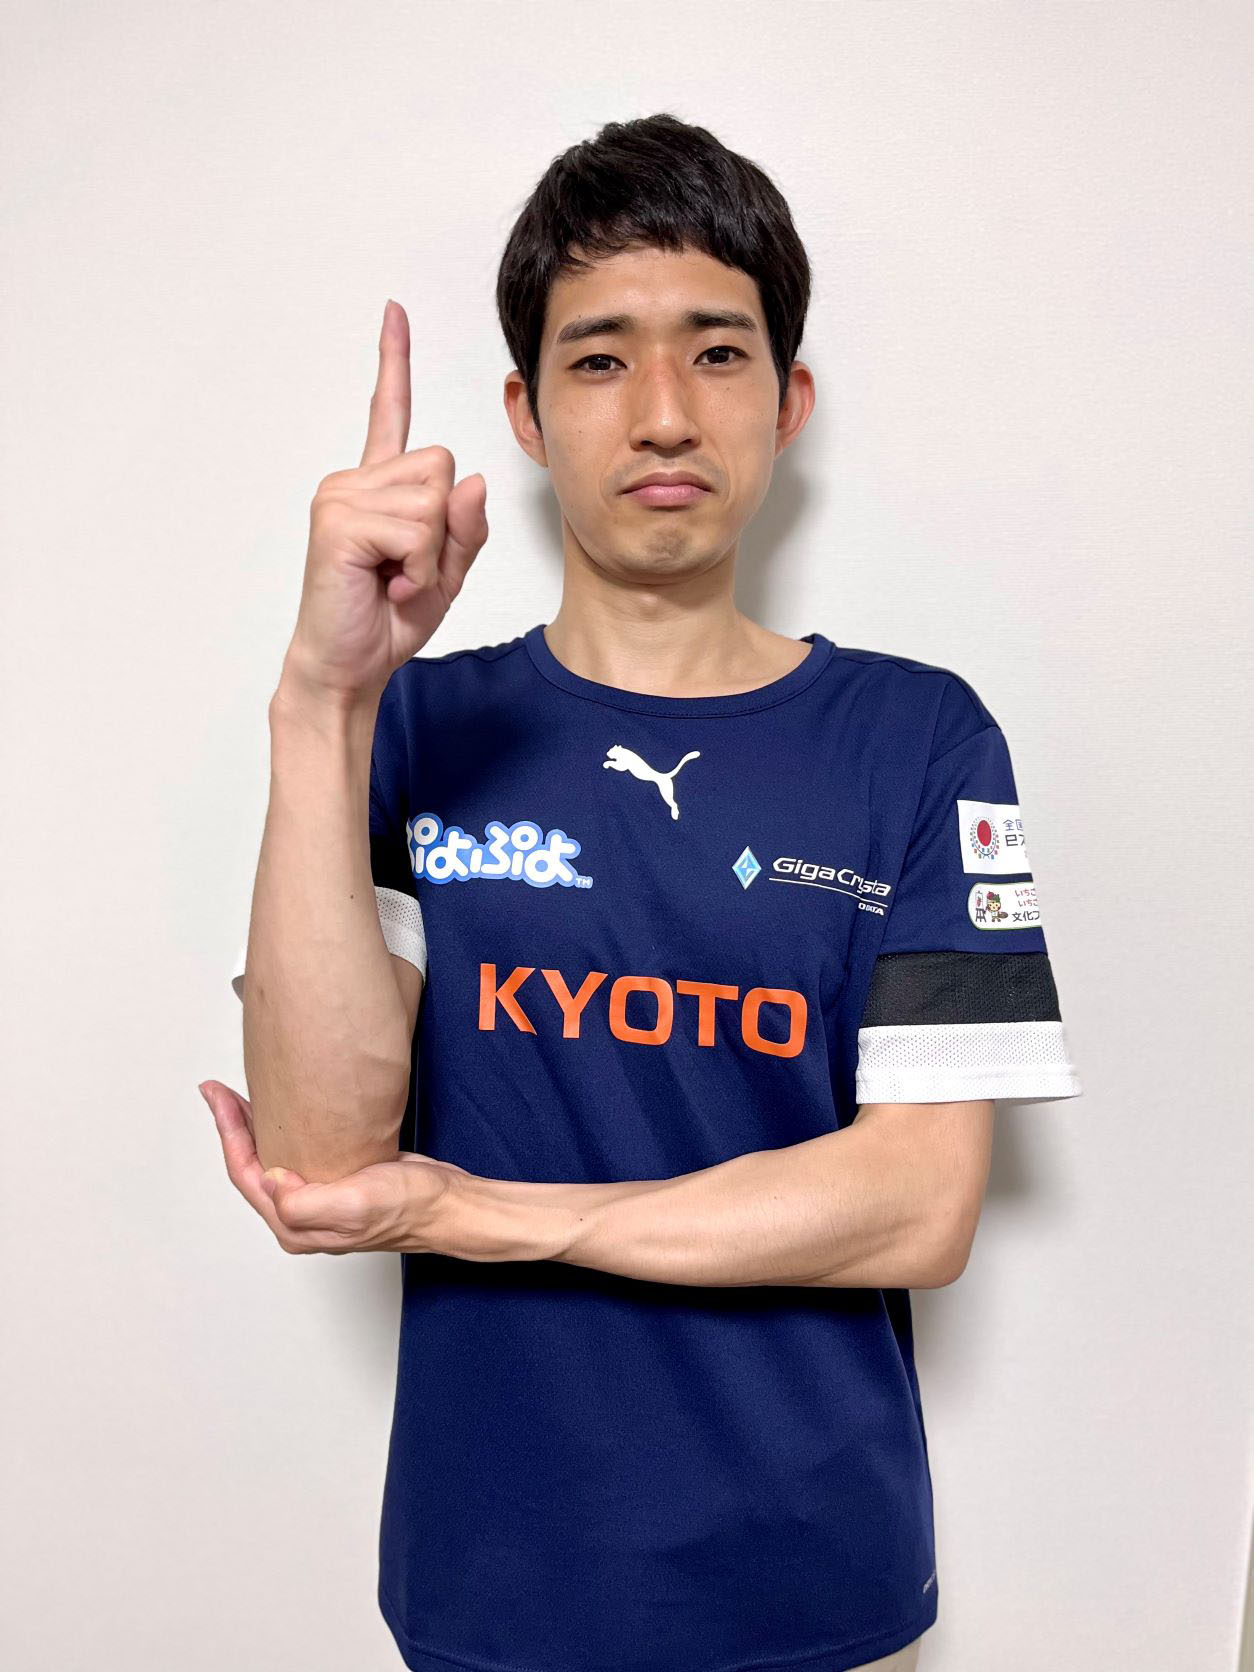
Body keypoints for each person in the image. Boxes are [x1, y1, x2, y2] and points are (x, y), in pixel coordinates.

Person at [206, 112, 1082, 1672]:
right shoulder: (412, 728)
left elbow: (918, 1204)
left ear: (787, 400)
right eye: (600, 358)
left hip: (809, 1585)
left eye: (717, 353)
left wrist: (474, 1211)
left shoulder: (921, 740)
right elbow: (326, 1161)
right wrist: (319, 700)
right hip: (491, 1578)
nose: (664, 413)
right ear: (528, 416)